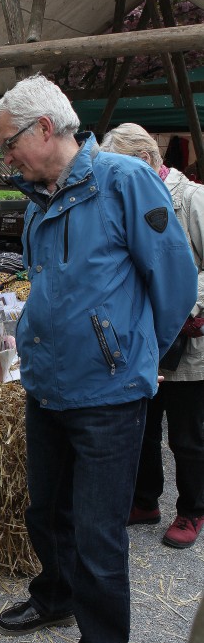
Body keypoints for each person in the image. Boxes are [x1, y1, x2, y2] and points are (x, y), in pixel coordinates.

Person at [0, 75, 197, 643]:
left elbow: (175, 279)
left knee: (99, 536)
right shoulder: (39, 197)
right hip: (47, 384)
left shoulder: (123, 182)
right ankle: (54, 597)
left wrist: (141, 355)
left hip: (108, 394)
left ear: (45, 128)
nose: (6, 157)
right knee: (46, 510)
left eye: (10, 143)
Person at [101, 123, 204, 548]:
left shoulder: (193, 199)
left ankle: (193, 510)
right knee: (142, 427)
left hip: (189, 342)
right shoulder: (127, 200)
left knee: (188, 435)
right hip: (142, 339)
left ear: (145, 160)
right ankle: (145, 501)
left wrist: (187, 304)